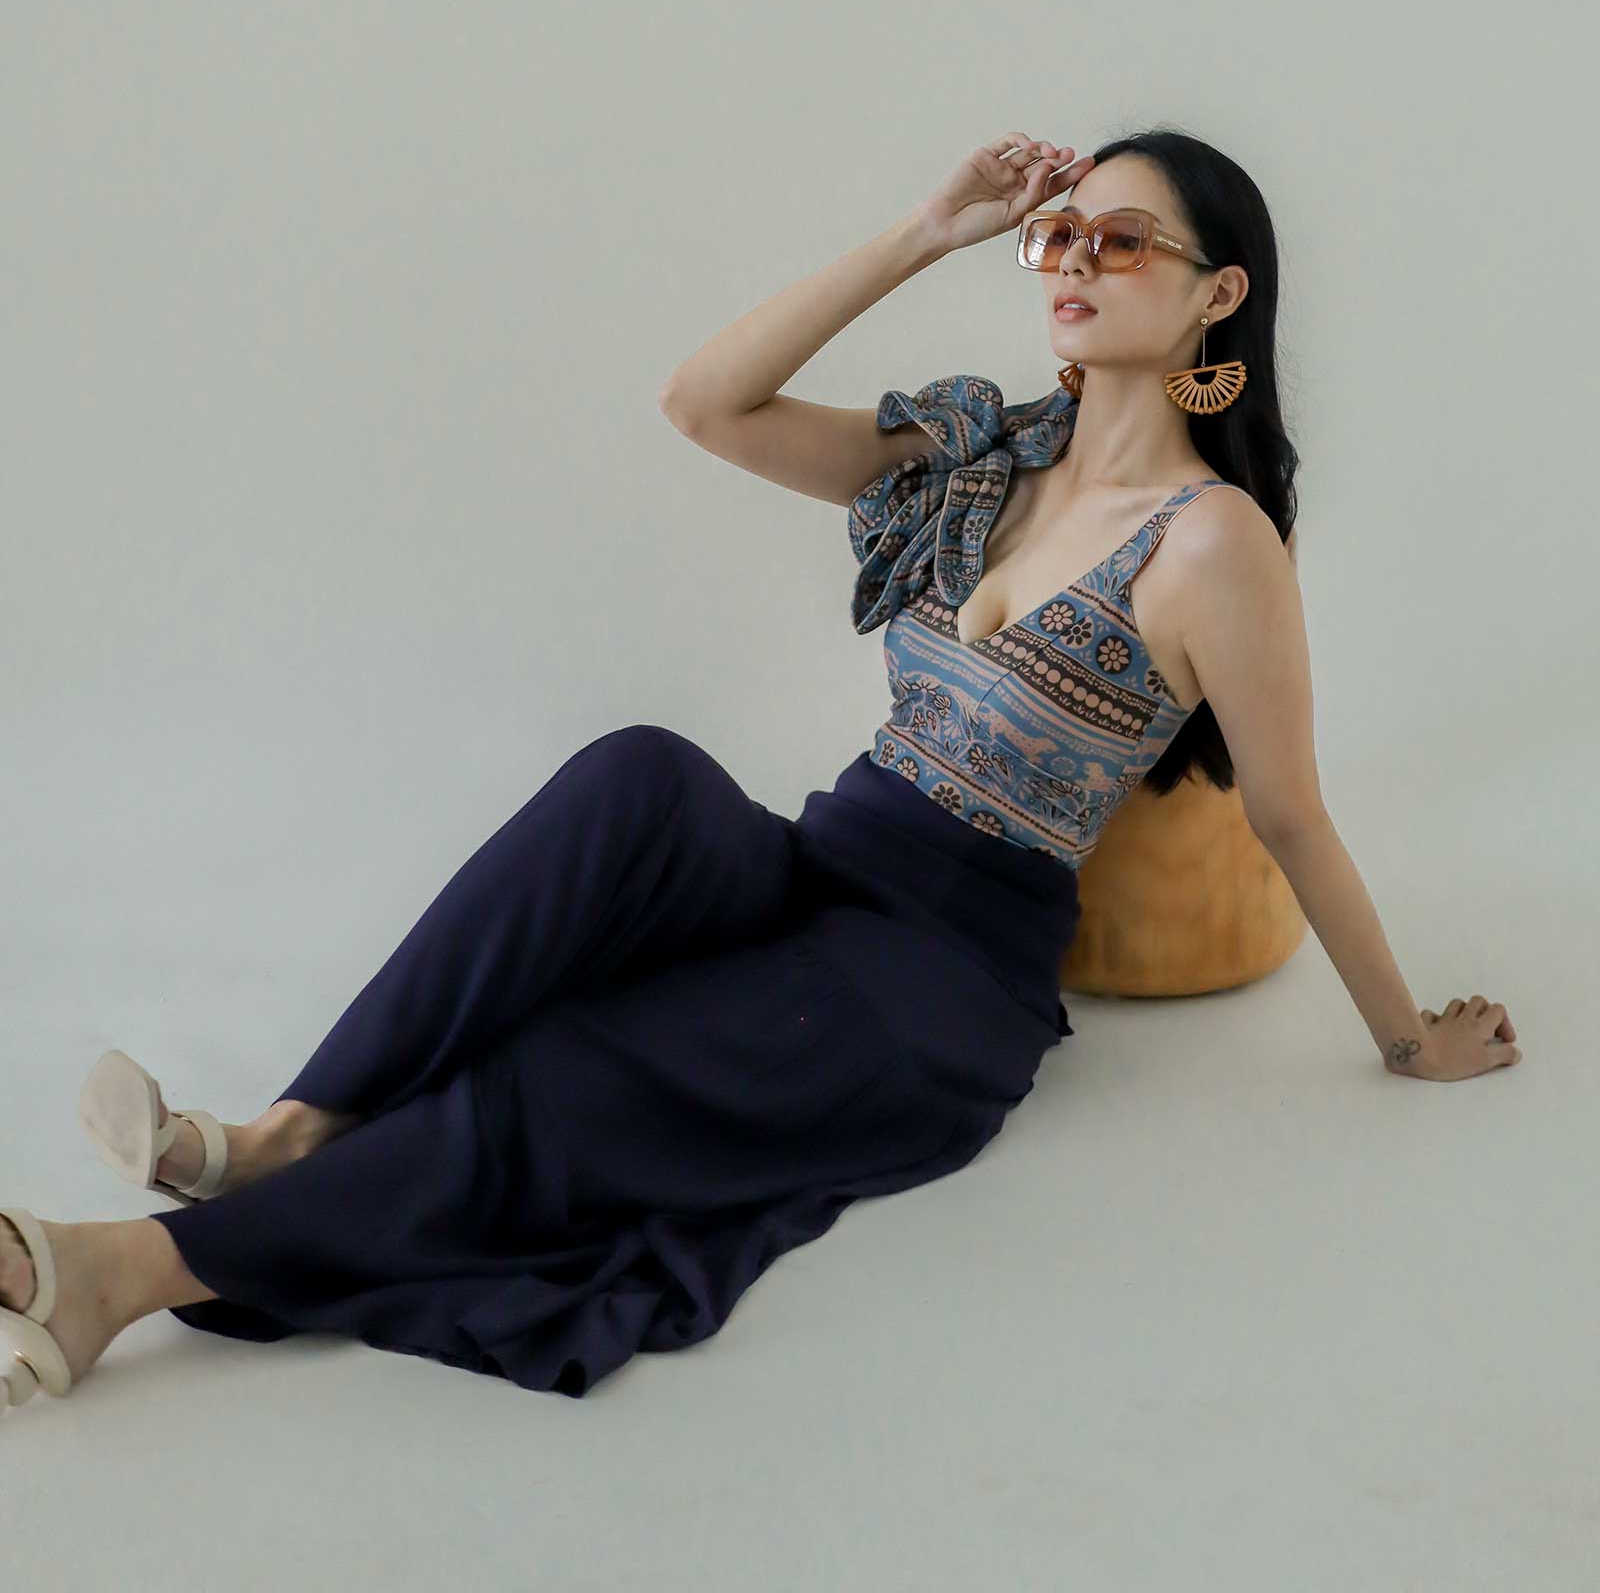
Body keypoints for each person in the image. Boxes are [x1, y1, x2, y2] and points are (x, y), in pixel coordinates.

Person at [1, 126, 1522, 1421]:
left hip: (944, 976)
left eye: (1120, 241)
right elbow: (706, 403)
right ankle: (287, 1131)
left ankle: (117, 1276)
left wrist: (1407, 1042)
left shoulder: (1213, 545)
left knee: (583, 1066)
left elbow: (1292, 815)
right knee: (638, 778)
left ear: (1218, 295)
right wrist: (929, 231)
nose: (1070, 259)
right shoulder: (985, 456)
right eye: (1059, 234)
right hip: (827, 856)